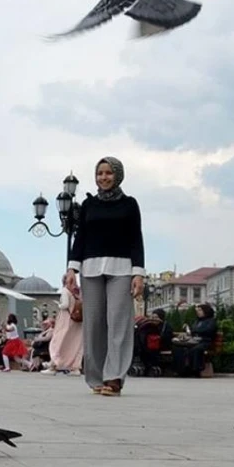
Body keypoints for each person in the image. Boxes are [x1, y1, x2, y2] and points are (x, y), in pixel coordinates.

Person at [64, 156, 146, 397]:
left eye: (109, 173)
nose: (104, 177)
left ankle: (114, 378)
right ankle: (96, 377)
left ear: (118, 175)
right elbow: (80, 238)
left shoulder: (130, 204)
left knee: (118, 323)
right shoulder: (89, 205)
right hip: (90, 270)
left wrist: (138, 273)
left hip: (121, 269)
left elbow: (136, 239)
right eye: (100, 173)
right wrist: (72, 269)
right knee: (94, 325)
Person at [44, 285, 83, 375]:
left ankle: (53, 365)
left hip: (66, 319)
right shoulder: (78, 291)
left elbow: (65, 305)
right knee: (76, 344)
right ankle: (75, 368)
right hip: (78, 320)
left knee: (57, 342)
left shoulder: (66, 290)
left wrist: (59, 305)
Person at [173, 303, 218, 377]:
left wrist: (195, 331)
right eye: (197, 310)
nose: (198, 312)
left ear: (206, 311)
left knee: (195, 349)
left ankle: (195, 370)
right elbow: (192, 330)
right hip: (194, 341)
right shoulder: (197, 321)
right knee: (178, 348)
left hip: (205, 341)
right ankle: (180, 370)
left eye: (200, 310)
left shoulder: (211, 321)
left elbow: (208, 330)